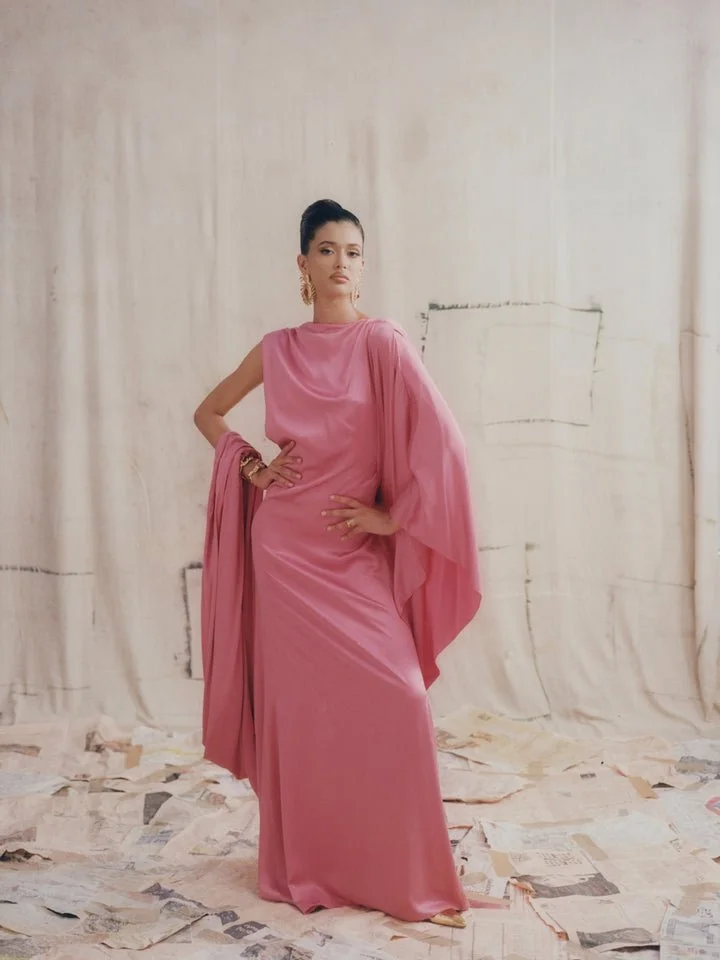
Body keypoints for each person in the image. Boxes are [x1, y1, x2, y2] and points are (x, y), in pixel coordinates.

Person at [193, 199, 481, 927]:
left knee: (401, 697)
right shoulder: (278, 348)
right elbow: (209, 411)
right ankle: (313, 863)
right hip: (284, 553)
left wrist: (395, 517)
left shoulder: (382, 342)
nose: (340, 264)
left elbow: (444, 443)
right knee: (302, 720)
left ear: (363, 263)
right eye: (326, 251)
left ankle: (395, 867)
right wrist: (252, 465)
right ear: (303, 264)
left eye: (352, 252)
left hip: (354, 555)